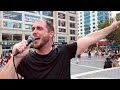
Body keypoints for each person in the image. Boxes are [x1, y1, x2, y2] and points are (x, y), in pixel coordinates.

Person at [0, 18, 120, 79]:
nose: (34, 32)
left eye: (39, 28)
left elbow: (90, 38)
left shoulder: (64, 52)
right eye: (32, 29)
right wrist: (16, 57)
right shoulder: (24, 59)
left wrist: (111, 27)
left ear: (51, 34)